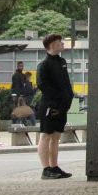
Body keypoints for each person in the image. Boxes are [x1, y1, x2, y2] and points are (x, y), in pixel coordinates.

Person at [34, 34, 74, 179]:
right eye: (59, 42)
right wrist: (56, 97)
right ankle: (46, 168)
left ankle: (54, 166)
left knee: (56, 135)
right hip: (50, 104)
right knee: (46, 134)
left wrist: (68, 97)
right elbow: (41, 84)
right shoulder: (44, 64)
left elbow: (65, 82)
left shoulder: (61, 62)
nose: (62, 44)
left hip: (62, 105)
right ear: (52, 45)